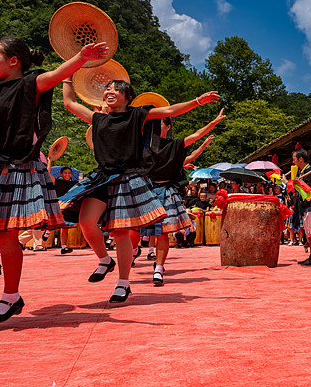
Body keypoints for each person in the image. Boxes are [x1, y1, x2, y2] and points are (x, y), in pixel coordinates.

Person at [60, 74, 219, 303]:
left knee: (121, 232)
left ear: (128, 97)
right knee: (86, 221)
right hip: (102, 176)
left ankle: (123, 283)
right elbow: (69, 103)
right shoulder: (97, 118)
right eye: (107, 89)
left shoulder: (137, 115)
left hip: (127, 178)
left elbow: (170, 111)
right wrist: (67, 77)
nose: (109, 92)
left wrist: (197, 101)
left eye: (116, 88)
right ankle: (105, 260)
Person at [0, 37, 108, 322]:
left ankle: (10, 296)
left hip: (14, 165)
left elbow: (56, 75)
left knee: (5, 234)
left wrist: (82, 57)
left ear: (14, 61)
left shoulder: (28, 84)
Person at [138, 110, 224, 286]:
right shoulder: (141, 144)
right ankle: (131, 255)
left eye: (159, 122)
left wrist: (213, 123)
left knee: (162, 233)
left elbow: (196, 137)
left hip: (165, 190)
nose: (154, 126)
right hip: (144, 190)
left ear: (168, 127)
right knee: (133, 232)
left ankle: (159, 268)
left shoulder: (174, 146)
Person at [292, 149, 311, 265]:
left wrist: (295, 184)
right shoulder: (302, 172)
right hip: (305, 207)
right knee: (309, 232)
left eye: (294, 160)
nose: (293, 162)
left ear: (301, 159)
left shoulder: (309, 172)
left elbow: (307, 191)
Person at [52, 167, 79, 254]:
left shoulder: (74, 183)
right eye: (65, 173)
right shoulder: (57, 182)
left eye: (69, 173)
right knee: (58, 222)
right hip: (59, 205)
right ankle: (47, 231)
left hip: (68, 207)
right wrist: (50, 161)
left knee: (65, 228)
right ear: (61, 174)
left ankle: (64, 247)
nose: (67, 175)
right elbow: (49, 176)